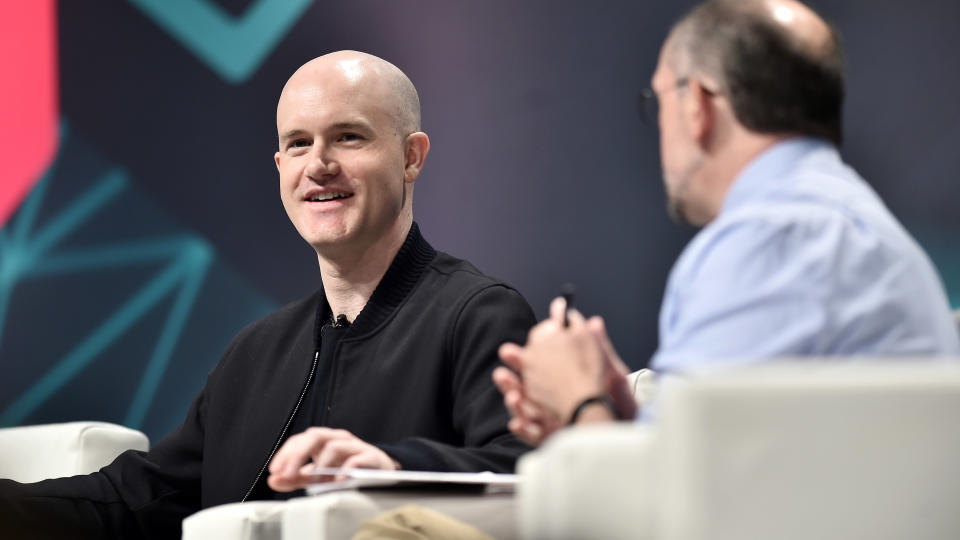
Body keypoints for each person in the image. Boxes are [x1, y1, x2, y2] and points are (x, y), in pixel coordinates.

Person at [0, 51, 535, 538]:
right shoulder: (254, 354)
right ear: (281, 168)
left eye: (349, 136)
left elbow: (530, 473)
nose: (319, 164)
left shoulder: (479, 314)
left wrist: (393, 468)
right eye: (298, 143)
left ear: (411, 157)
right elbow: (136, 499)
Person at [494, 0, 960, 445]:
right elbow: (748, 462)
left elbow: (673, 510)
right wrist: (623, 417)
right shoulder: (837, 222)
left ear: (698, 104)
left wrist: (581, 404)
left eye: (657, 102)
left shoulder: (774, 239)